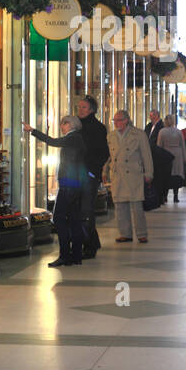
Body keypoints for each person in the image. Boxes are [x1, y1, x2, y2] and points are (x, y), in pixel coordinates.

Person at [23, 115, 92, 268]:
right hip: (74, 184)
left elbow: (53, 142)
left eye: (64, 123)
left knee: (60, 219)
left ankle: (65, 255)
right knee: (73, 220)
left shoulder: (73, 138)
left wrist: (33, 130)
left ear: (71, 124)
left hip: (69, 185)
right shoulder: (77, 139)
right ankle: (75, 256)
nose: (62, 126)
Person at [105, 109, 153, 243]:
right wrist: (105, 171)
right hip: (117, 174)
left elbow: (146, 155)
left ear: (126, 120)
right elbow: (110, 156)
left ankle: (141, 233)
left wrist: (149, 173)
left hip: (134, 174)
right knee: (120, 206)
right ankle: (125, 233)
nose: (116, 123)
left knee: (137, 206)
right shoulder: (111, 136)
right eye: (115, 121)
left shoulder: (138, 134)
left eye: (119, 120)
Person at [76, 95, 109, 259]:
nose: (80, 110)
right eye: (79, 107)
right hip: (74, 174)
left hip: (89, 176)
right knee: (78, 210)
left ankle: (90, 245)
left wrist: (92, 170)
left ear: (91, 110)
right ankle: (91, 241)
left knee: (86, 209)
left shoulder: (98, 128)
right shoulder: (75, 126)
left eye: (83, 107)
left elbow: (104, 153)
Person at [156, 115, 186, 203]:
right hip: (177, 154)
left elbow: (159, 145)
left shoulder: (162, 132)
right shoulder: (178, 132)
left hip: (166, 154)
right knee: (176, 175)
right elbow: (182, 144)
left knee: (166, 175)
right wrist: (184, 157)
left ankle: (165, 196)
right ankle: (175, 196)